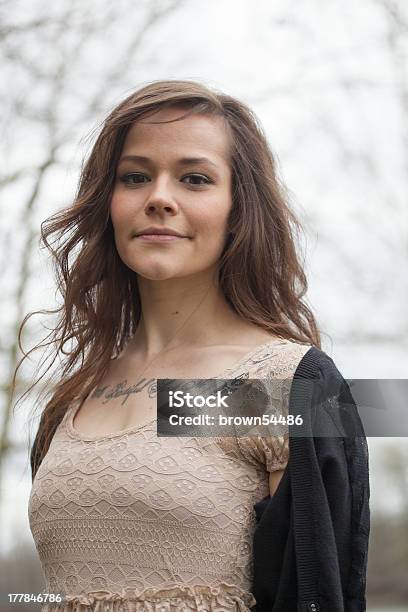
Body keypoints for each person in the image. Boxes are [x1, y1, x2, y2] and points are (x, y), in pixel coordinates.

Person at [17, 80, 369, 611]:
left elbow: (316, 589)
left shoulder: (281, 386)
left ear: (238, 209)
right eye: (135, 177)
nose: (159, 197)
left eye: (195, 178)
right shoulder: (72, 398)